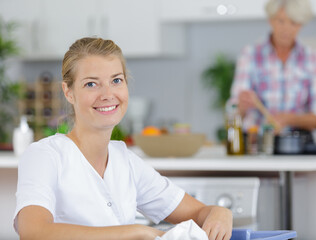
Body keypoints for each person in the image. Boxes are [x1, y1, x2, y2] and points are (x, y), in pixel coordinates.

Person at [14, 37, 233, 240]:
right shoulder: (46, 155)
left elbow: (199, 212)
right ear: (68, 92)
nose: (108, 94)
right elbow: (33, 231)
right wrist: (136, 232)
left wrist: (220, 213)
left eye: (116, 80)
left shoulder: (126, 162)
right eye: (91, 84)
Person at [229, 0, 316, 134]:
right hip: (258, 144)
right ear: (271, 20)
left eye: (293, 23)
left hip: (298, 146)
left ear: (301, 25)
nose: (286, 29)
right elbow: (232, 111)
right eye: (281, 21)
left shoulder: (312, 58)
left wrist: (289, 119)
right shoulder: (249, 55)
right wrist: (241, 107)